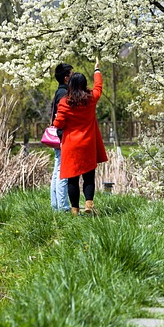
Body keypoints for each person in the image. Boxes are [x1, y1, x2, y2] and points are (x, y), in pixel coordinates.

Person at [53, 59, 108, 215]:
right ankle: (89, 205)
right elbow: (98, 87)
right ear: (84, 85)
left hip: (71, 145)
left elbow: (58, 124)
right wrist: (97, 71)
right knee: (89, 176)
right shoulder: (90, 99)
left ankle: (75, 210)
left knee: (72, 179)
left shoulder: (65, 102)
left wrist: (58, 117)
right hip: (88, 144)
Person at [50, 62, 73, 211]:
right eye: (72, 75)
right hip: (62, 136)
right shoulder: (64, 94)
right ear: (66, 78)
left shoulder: (59, 92)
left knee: (57, 170)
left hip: (57, 135)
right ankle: (63, 207)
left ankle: (55, 205)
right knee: (62, 172)